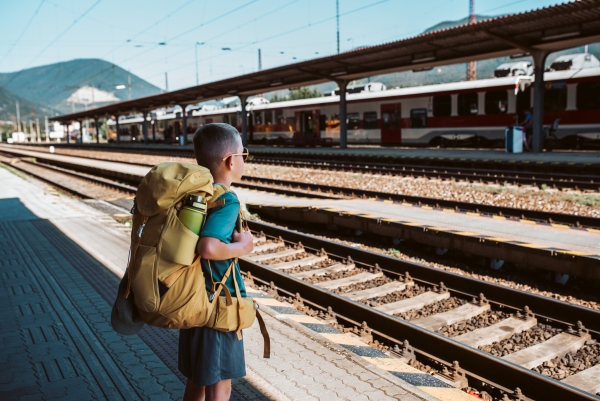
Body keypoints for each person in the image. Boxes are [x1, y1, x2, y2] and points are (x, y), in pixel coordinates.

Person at [179, 123, 253, 401]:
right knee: (220, 387)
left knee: (197, 382)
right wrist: (242, 246)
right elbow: (208, 247)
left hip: (193, 297)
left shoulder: (195, 193)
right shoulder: (227, 199)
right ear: (231, 160)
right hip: (219, 305)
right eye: (243, 153)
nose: (244, 160)